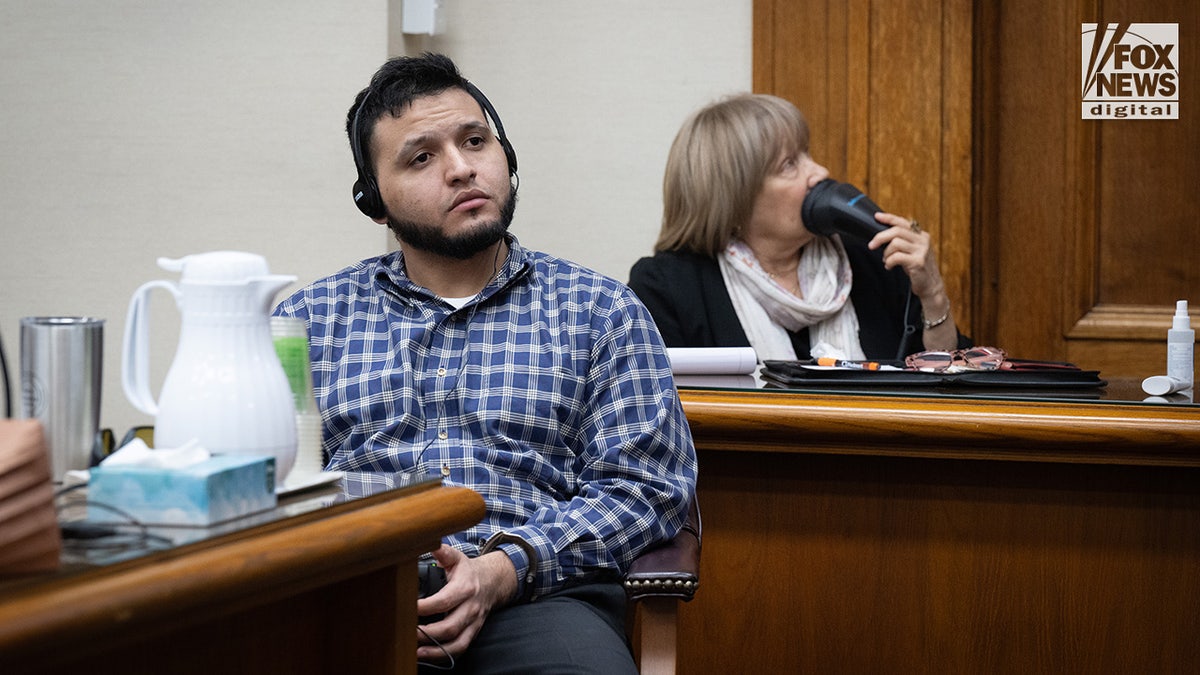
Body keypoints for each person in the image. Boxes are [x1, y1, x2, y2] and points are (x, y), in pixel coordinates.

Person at [273, 53, 697, 673]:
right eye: (421, 157)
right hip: (350, 593)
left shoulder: (600, 310)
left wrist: (505, 569)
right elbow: (260, 486)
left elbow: (648, 491)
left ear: (508, 158)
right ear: (375, 201)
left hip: (536, 600)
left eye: (476, 141)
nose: (462, 168)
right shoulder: (309, 319)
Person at [628, 93, 971, 362]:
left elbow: (945, 390)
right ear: (733, 200)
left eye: (806, 153)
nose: (819, 171)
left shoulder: (871, 261)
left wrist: (933, 295)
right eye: (789, 164)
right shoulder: (668, 289)